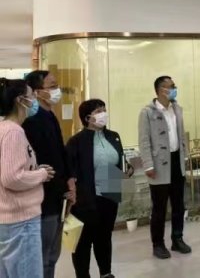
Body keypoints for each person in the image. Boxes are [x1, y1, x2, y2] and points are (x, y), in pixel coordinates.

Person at [66, 99, 133, 278]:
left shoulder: (113, 136)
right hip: (86, 197)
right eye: (98, 111)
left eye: (104, 109)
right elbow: (70, 171)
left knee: (104, 237)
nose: (103, 114)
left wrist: (127, 169)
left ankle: (106, 272)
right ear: (87, 118)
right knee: (83, 241)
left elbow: (120, 160)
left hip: (109, 192)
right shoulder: (76, 141)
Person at [23, 70, 77, 278]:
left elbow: (60, 154)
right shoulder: (31, 121)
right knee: (43, 255)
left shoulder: (50, 116)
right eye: (52, 86)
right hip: (43, 198)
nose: (57, 90)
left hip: (58, 196)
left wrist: (69, 183)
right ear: (37, 92)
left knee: (53, 253)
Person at [0, 78, 55, 278]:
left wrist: (34, 170)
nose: (34, 100)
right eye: (32, 95)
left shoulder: (4, 129)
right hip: (20, 220)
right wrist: (41, 174)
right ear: (20, 100)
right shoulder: (13, 132)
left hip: (10, 219)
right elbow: (11, 178)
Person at [138, 76, 191, 259]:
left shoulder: (176, 108)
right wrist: (148, 165)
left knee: (178, 204)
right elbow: (144, 141)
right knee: (159, 208)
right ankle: (158, 244)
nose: (174, 89)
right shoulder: (147, 112)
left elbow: (181, 136)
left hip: (176, 161)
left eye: (174, 86)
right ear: (161, 90)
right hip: (159, 164)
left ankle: (177, 239)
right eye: (171, 86)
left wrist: (185, 157)